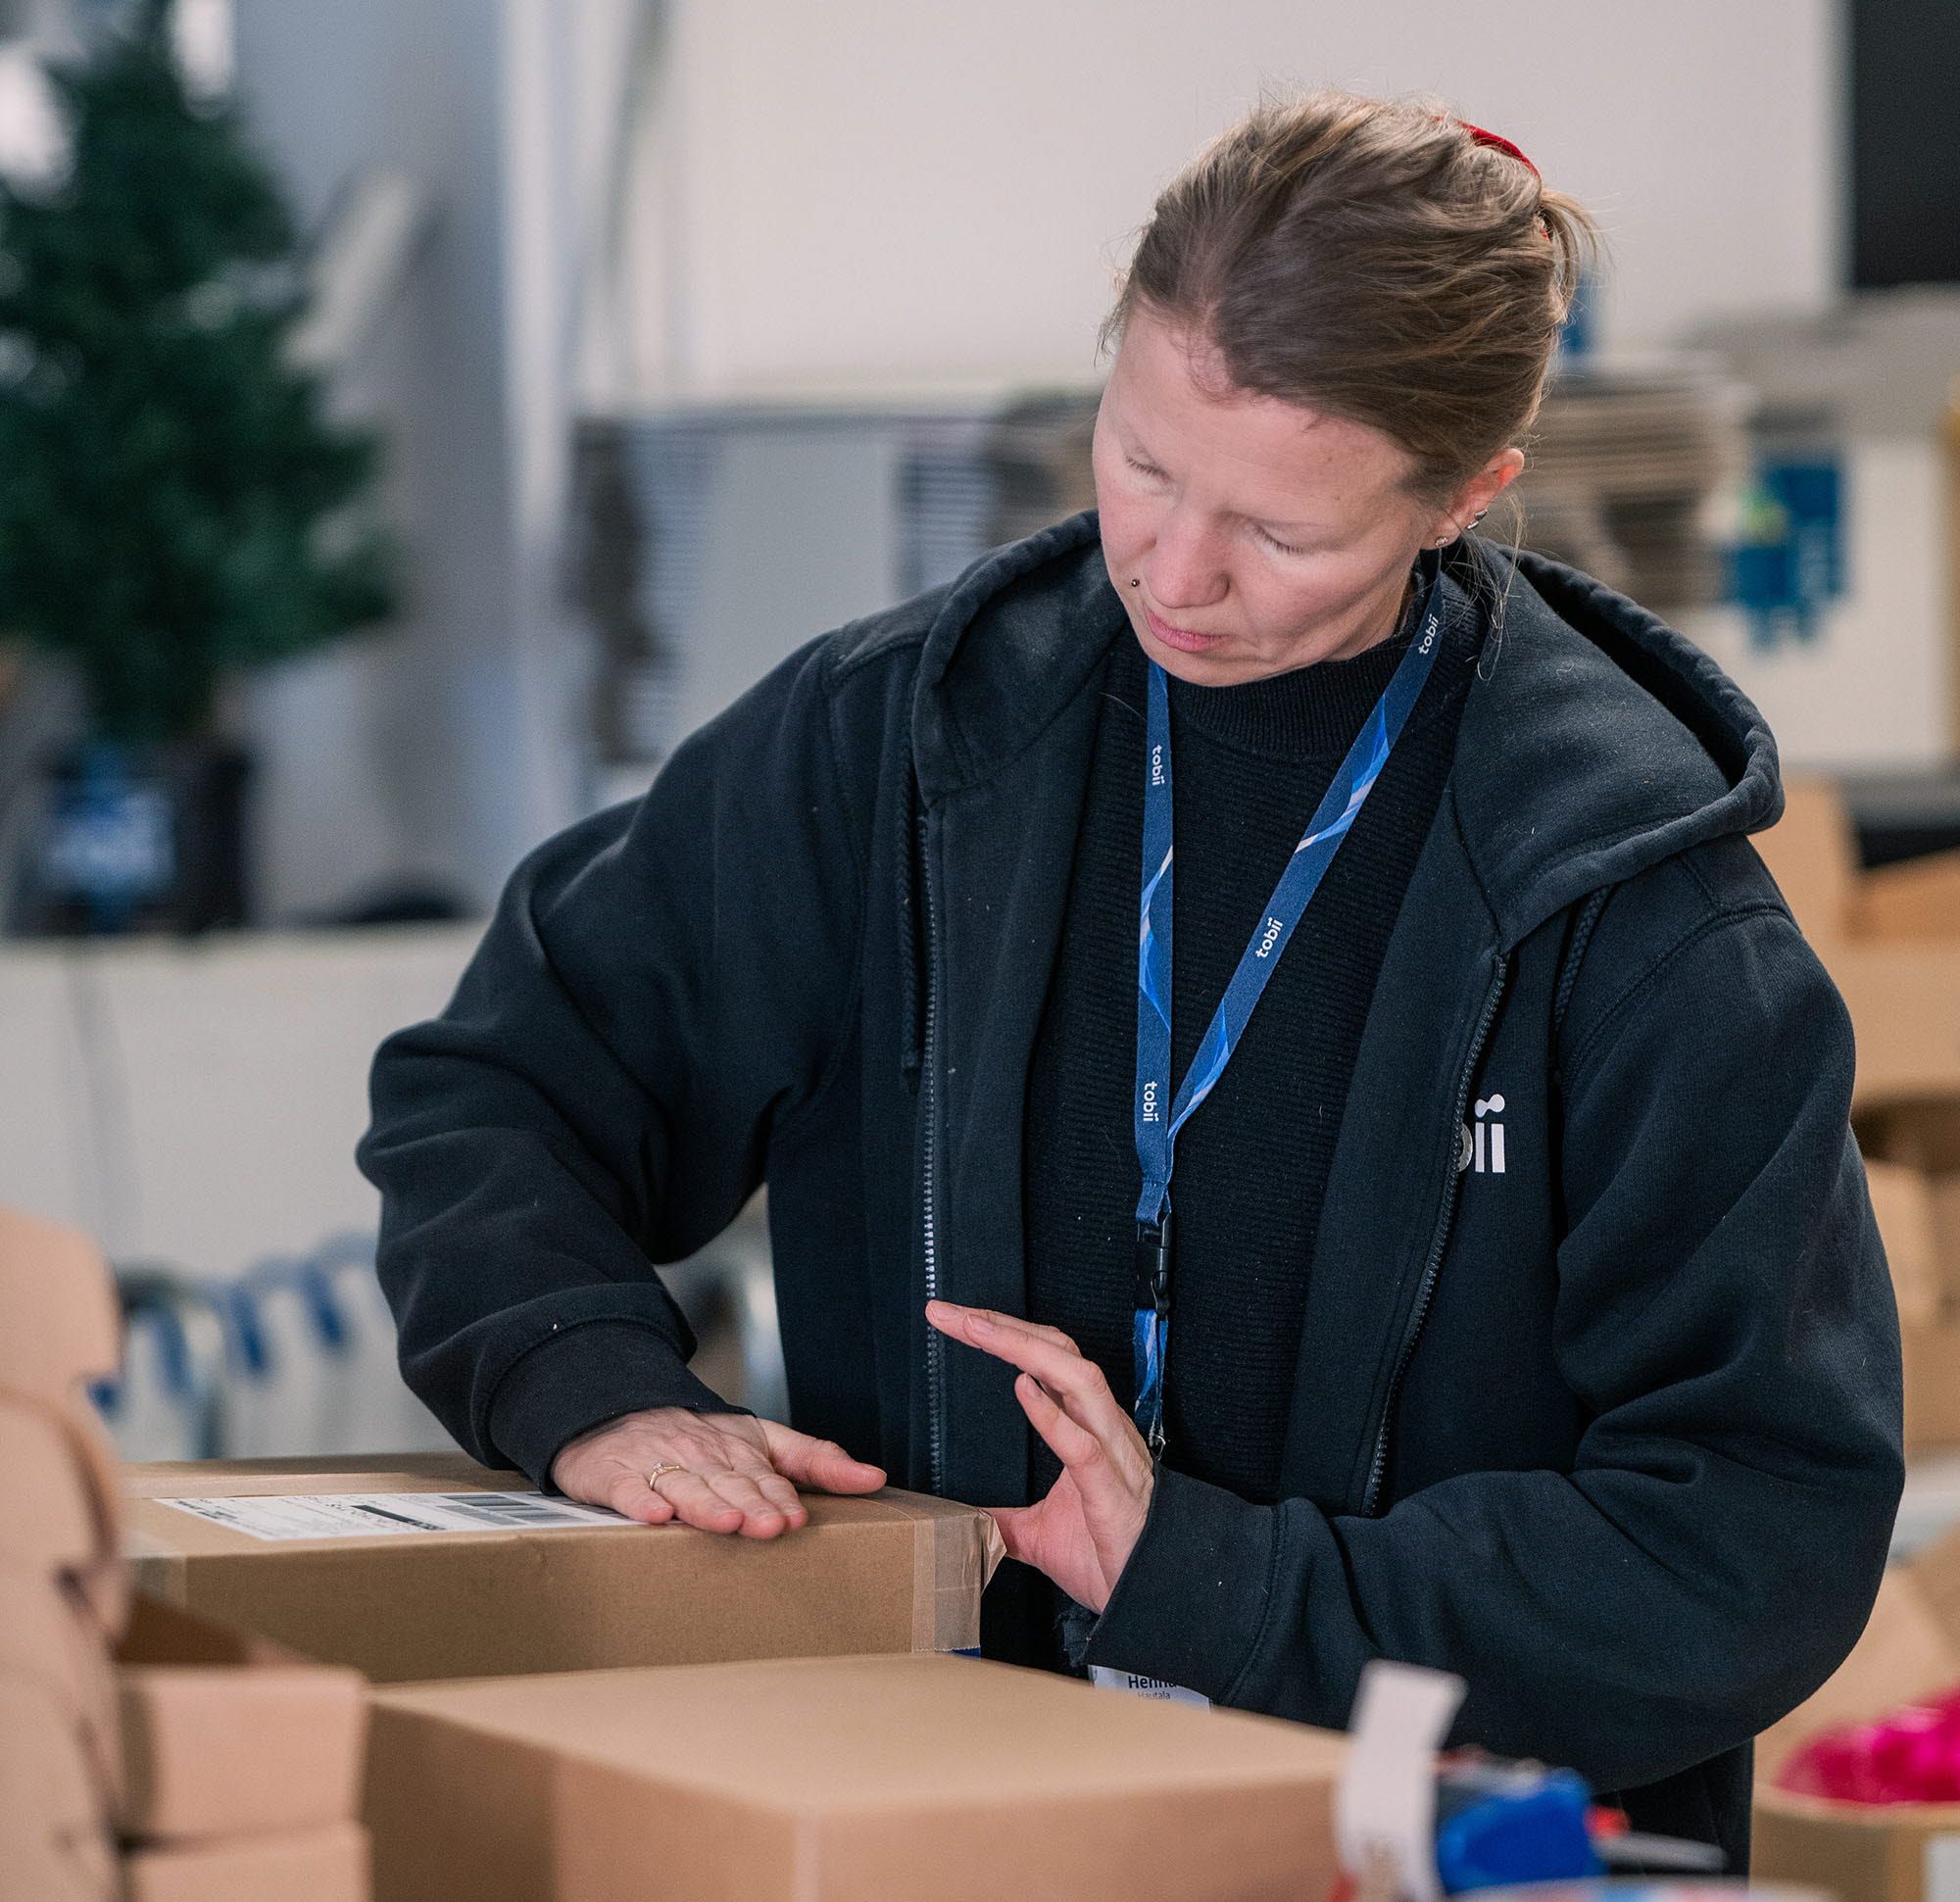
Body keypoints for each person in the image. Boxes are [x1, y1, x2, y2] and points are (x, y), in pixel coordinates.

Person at [358, 89, 1902, 1869]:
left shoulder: (1641, 911)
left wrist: (1220, 1583)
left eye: (1283, 533)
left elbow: (1752, 1536)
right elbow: (501, 1086)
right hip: (933, 1821)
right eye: (1145, 463)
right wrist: (584, 1383)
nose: (1177, 573)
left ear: (1468, 493)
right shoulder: (897, 747)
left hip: (1433, 1847)